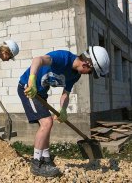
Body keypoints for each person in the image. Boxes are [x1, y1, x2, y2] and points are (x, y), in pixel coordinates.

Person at [18, 46, 110, 177]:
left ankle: (46, 158)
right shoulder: (63, 58)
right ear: (86, 64)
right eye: (90, 72)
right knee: (47, 123)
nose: (88, 74)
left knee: (47, 125)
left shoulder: (75, 75)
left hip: (41, 93)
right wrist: (32, 80)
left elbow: (65, 94)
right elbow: (37, 60)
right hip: (27, 89)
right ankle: (36, 164)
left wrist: (63, 109)